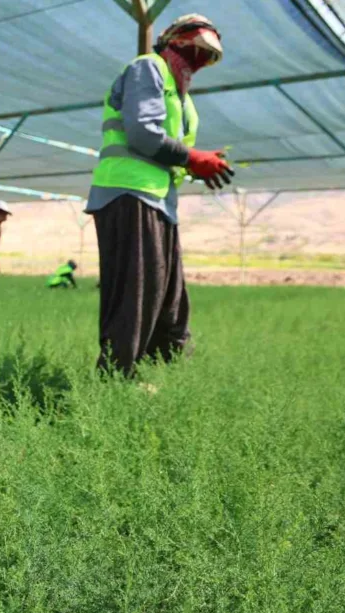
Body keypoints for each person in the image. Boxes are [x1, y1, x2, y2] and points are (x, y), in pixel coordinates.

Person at [85, 14, 233, 376]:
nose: (198, 62)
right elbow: (142, 133)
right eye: (195, 51)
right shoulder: (148, 69)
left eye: (206, 57)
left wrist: (197, 165)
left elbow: (174, 153)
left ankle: (162, 379)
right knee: (135, 299)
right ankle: (116, 381)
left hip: (159, 201)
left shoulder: (184, 102)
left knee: (170, 304)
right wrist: (193, 158)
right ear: (174, 41)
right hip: (127, 192)